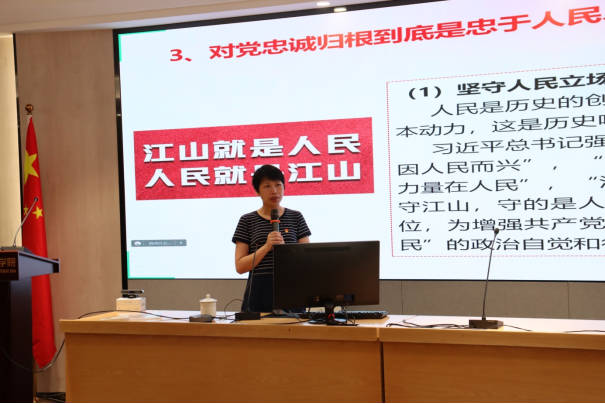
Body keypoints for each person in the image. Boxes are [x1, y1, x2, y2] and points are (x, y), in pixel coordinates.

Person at [232, 165, 311, 313]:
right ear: (257, 191)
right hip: (260, 291)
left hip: (291, 289)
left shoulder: (296, 217)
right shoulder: (247, 220)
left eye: (278, 185)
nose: (274, 191)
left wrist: (286, 250)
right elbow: (240, 267)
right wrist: (266, 247)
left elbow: (308, 261)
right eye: (267, 186)